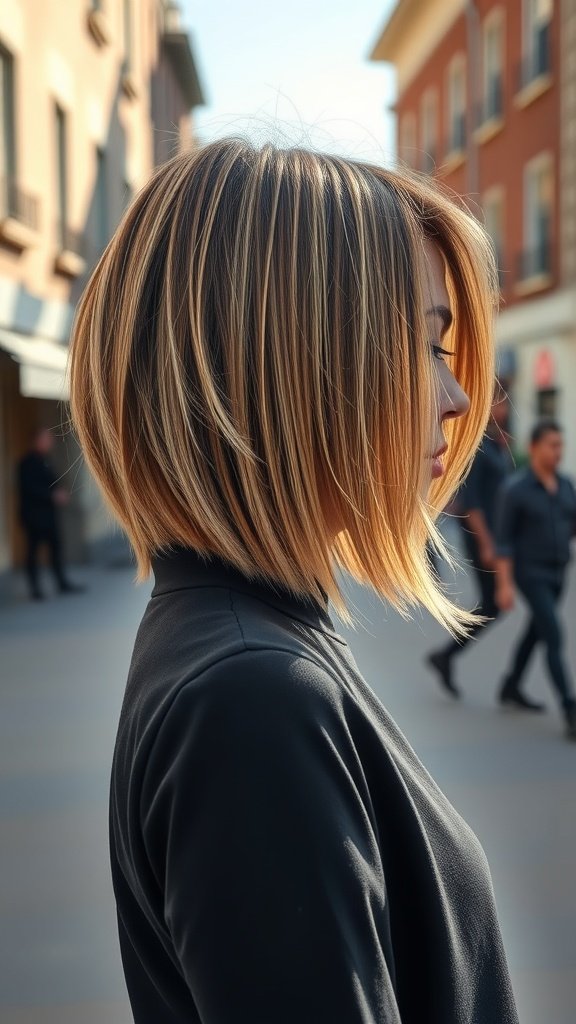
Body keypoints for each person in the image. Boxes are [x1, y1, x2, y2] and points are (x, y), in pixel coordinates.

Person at [70, 140, 518, 1023]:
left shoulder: (245, 641)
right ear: (298, 365)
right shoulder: (251, 693)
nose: (457, 396)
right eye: (426, 345)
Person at [425, 387, 513, 697]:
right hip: (484, 537)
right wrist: (487, 544)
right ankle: (447, 656)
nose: (503, 407)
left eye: (504, 401)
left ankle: (449, 657)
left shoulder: (499, 443)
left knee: (498, 605)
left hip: (504, 538)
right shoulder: (479, 446)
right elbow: (471, 503)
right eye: (498, 401)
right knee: (493, 604)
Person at [495, 419, 576, 740]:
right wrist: (503, 585)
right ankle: (570, 707)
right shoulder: (515, 490)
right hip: (531, 573)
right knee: (553, 633)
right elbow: (504, 542)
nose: (558, 452)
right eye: (552, 445)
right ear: (534, 448)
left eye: (561, 445)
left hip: (559, 571)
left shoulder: (566, 484)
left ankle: (511, 684)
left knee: (537, 631)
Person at [17, 428, 85, 601]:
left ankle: (61, 583)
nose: (50, 442)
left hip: (49, 514)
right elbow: (29, 488)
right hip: (34, 516)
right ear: (37, 440)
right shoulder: (27, 462)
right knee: (33, 551)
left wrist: (59, 493)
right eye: (47, 438)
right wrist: (52, 495)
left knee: (55, 548)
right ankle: (35, 589)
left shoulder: (46, 460)